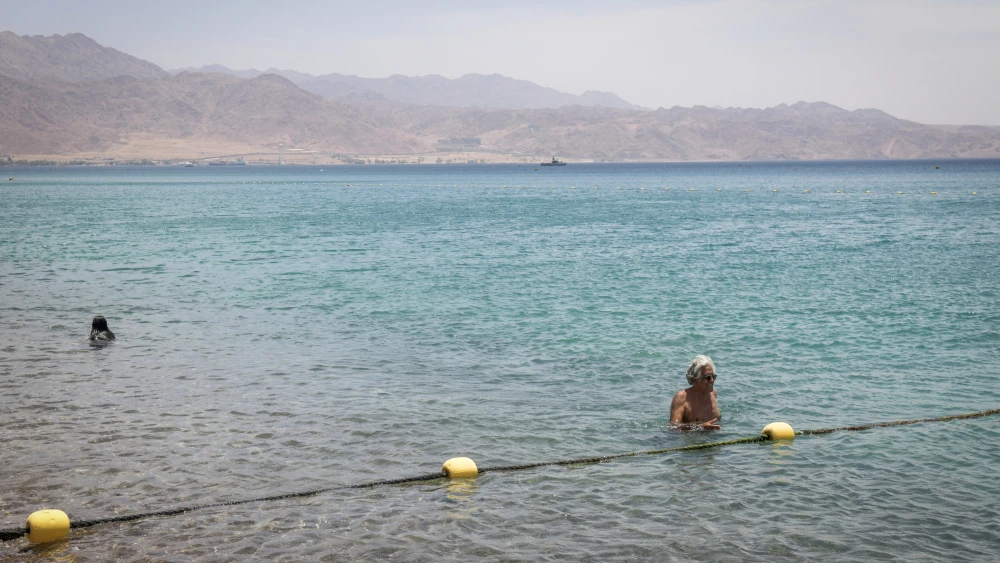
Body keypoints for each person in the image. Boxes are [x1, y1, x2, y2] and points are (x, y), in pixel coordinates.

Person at [669, 355, 721, 429]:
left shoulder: (713, 394)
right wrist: (700, 427)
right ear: (695, 380)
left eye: (713, 376)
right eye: (708, 377)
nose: (712, 380)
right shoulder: (681, 397)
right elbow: (673, 427)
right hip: (693, 435)